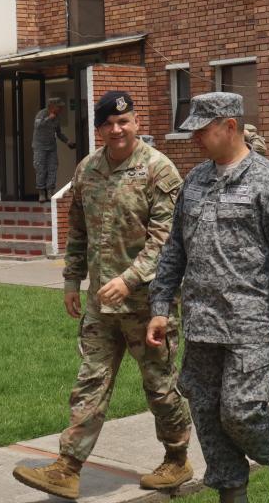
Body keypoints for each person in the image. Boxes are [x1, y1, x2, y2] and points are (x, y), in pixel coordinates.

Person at [12, 91, 193, 500]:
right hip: (100, 304)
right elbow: (78, 229)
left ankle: (177, 458)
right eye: (108, 124)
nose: (117, 130)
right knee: (89, 382)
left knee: (160, 387)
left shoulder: (159, 170)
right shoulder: (88, 169)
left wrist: (130, 279)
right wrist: (72, 280)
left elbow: (166, 241)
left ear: (136, 122)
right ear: (99, 128)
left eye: (124, 122)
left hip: (149, 305)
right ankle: (68, 467)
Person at [146, 92, 269, 503]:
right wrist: (160, 307)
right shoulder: (195, 181)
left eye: (203, 130)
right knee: (205, 411)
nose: (195, 139)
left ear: (230, 126)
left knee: (241, 411)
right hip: (203, 323)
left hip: (251, 322)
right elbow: (173, 251)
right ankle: (232, 492)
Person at [32, 98, 76, 201]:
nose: (61, 109)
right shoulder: (42, 114)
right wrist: (48, 118)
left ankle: (50, 191)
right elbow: (37, 125)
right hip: (40, 147)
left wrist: (67, 141)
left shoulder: (57, 118)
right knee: (41, 169)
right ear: (52, 106)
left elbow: (59, 133)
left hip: (51, 147)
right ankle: (41, 192)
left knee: (53, 168)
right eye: (59, 107)